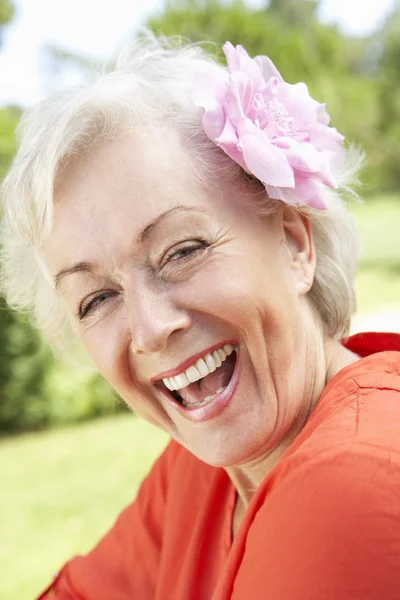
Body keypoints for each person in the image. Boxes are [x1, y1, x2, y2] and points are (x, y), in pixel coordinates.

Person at [1, 34, 400, 600]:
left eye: (182, 251)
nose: (150, 328)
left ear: (293, 243)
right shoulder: (203, 475)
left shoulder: (350, 487)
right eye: (96, 299)